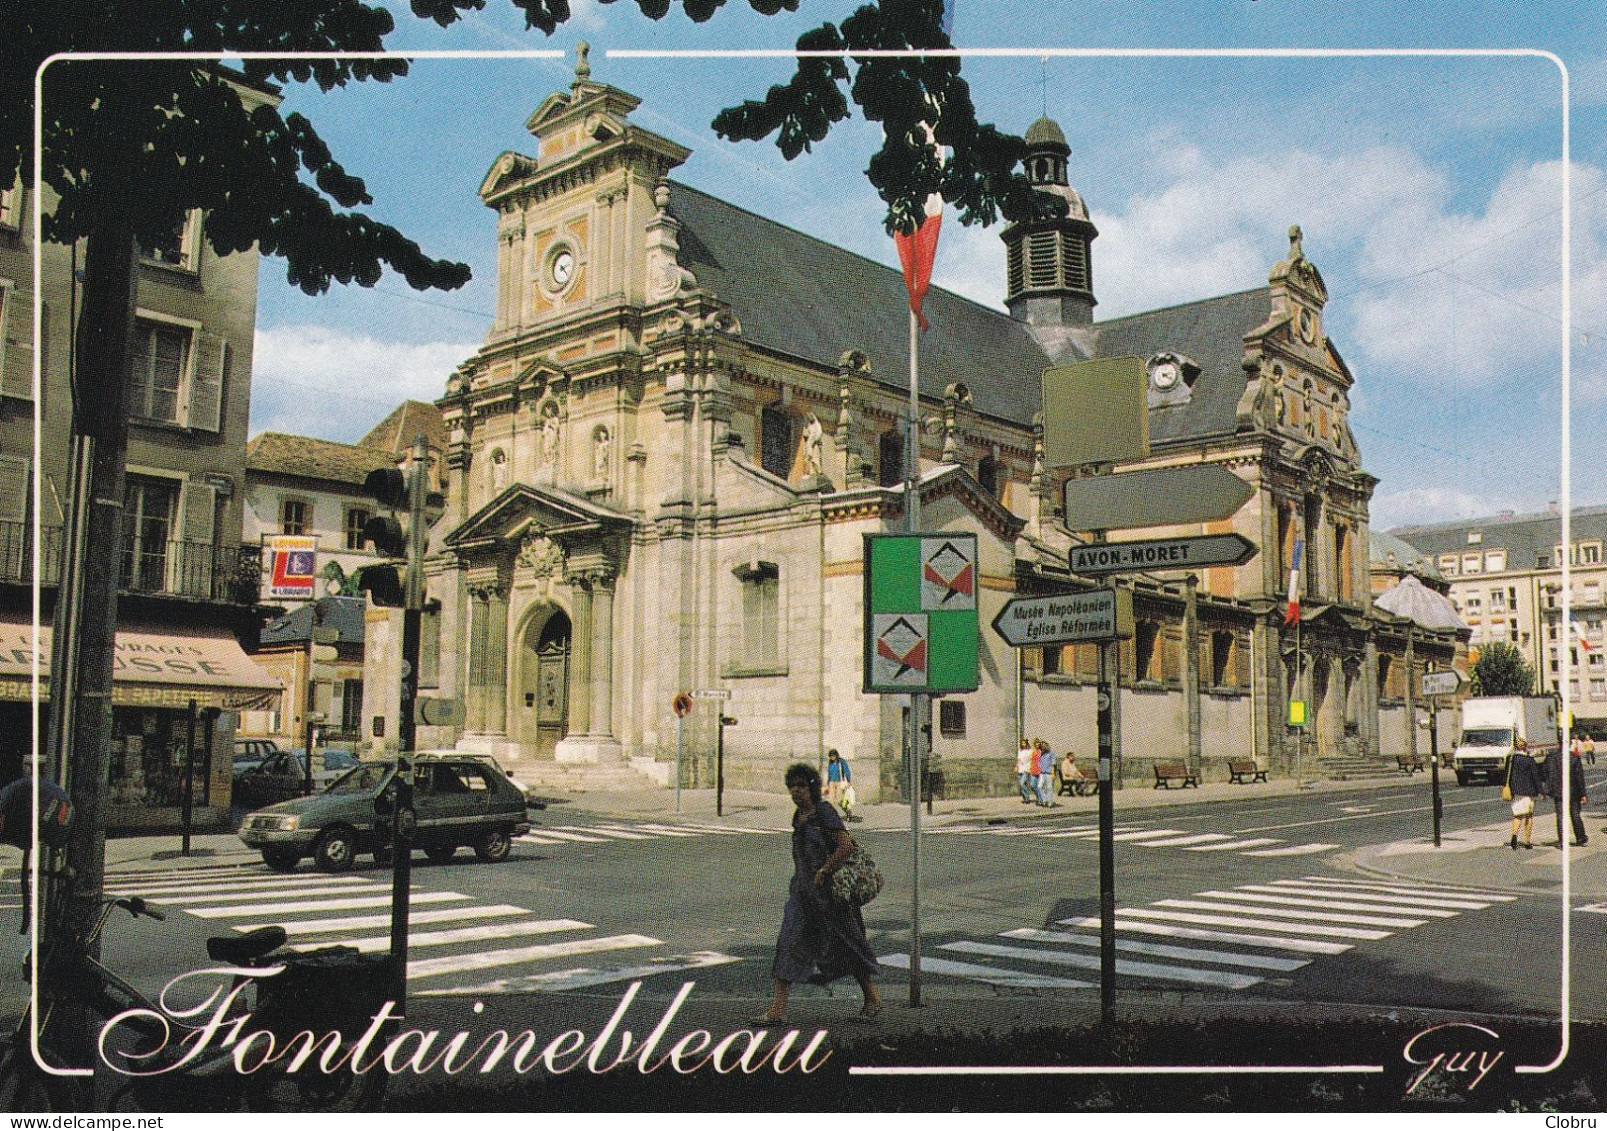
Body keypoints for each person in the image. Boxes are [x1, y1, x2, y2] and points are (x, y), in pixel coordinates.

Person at [757, 762, 881, 1024]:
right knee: (788, 943)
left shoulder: (824, 812)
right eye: (792, 787)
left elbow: (845, 846)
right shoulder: (798, 816)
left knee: (849, 945)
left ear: (812, 787)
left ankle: (872, 998)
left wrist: (825, 870)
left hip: (831, 897)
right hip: (803, 895)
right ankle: (778, 1010)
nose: (796, 791)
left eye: (801, 786)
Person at [1545, 742, 1589, 847]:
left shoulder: (1551, 758)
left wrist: (1549, 789)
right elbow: (1579, 777)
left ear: (1559, 745)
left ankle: (1562, 841)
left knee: (1561, 816)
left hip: (1558, 791)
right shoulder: (1574, 758)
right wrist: (1583, 793)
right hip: (1573, 791)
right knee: (1575, 814)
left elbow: (1546, 773)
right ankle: (1580, 837)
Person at [1506, 738, 1544, 851]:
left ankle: (1514, 836)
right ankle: (1527, 841)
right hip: (1528, 791)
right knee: (1528, 816)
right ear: (1524, 747)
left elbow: (1505, 775)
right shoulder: (1529, 760)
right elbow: (1536, 777)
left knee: (1517, 815)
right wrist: (1541, 791)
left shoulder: (1511, 759)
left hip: (1516, 791)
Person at [1034, 739, 1057, 807]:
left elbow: (1053, 764)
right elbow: (1039, 763)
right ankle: (1044, 799)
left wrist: (1053, 773)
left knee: (1049, 788)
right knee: (1039, 786)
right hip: (1042, 773)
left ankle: (1049, 802)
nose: (1042, 747)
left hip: (1049, 773)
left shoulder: (1051, 753)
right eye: (1042, 746)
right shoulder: (1041, 754)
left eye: (1044, 745)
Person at [1016, 739, 1036, 804]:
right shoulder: (1020, 751)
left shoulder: (1030, 751)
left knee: (1022, 783)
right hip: (1020, 769)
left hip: (1026, 769)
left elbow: (1031, 760)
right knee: (1022, 784)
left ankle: (1027, 797)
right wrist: (1016, 767)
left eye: (1024, 743)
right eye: (1022, 743)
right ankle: (1025, 798)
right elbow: (1018, 760)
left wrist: (1030, 767)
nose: (1023, 744)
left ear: (1027, 744)